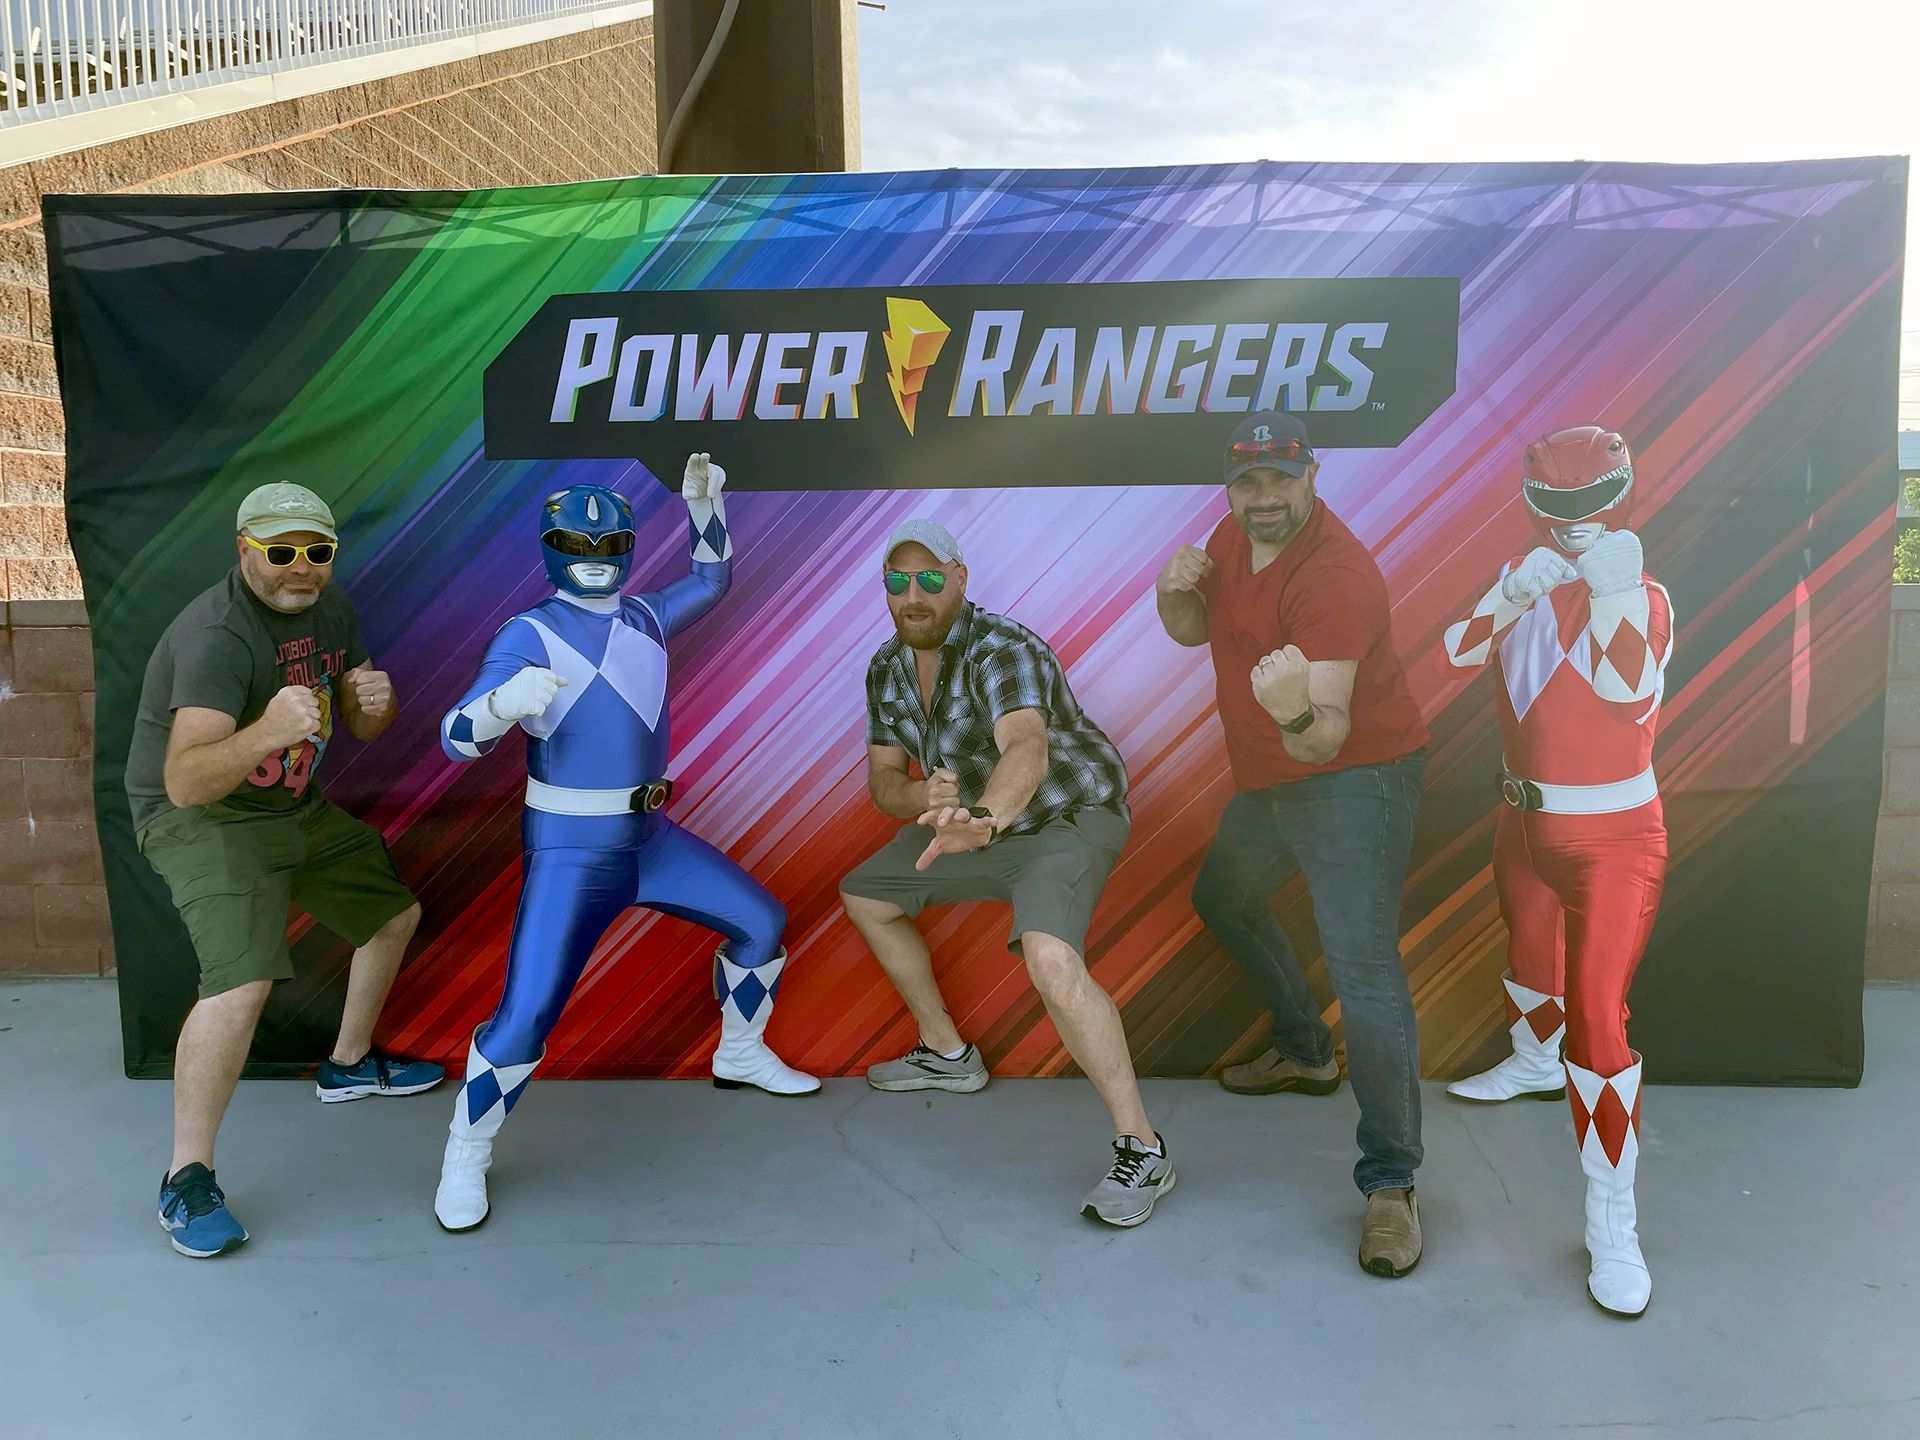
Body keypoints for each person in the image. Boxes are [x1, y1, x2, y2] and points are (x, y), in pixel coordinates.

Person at [432, 453, 817, 1234]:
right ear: (551, 549)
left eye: (610, 550)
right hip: (571, 853)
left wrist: (704, 509)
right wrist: (502, 703)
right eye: (580, 548)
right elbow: (454, 737)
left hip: (650, 836)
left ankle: (739, 1053)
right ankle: (465, 1151)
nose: (597, 564)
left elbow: (710, 583)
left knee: (762, 924)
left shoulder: (643, 618)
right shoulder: (529, 632)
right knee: (525, 1018)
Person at [126, 483, 444, 1259]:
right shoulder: (218, 636)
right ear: (245, 550)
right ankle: (185, 1177)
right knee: (241, 982)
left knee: (393, 915)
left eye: (316, 552)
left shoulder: (330, 611)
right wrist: (266, 730)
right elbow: (185, 781)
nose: (300, 568)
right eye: (281, 552)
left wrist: (377, 702)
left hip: (290, 810)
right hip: (204, 819)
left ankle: (347, 1065)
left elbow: (363, 726)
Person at [1156, 411, 1430, 1277]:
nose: (1264, 497)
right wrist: (1173, 593)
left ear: (1313, 476)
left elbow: (1327, 736)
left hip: (1355, 775)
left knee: (1365, 970)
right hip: (1273, 781)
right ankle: (1309, 1053)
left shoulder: (1338, 577)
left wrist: (1298, 713)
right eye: (1247, 482)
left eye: (1281, 479)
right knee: (1222, 898)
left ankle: (1392, 1186)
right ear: (1230, 486)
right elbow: (1196, 631)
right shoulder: (1231, 539)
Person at [839, 519, 1171, 1228]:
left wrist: (984, 818)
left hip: (1063, 819)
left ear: (960, 579)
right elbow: (883, 782)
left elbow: (1025, 746)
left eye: (930, 577)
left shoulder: (1003, 648)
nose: (914, 594)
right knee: (865, 894)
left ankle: (1143, 1148)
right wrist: (922, 801)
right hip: (968, 830)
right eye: (898, 580)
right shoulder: (885, 668)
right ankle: (948, 1052)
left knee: (1051, 959)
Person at [1442, 425, 1672, 1317]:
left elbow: (1624, 693)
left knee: (1599, 1023)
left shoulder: (1644, 593)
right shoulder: (1531, 583)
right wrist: (1506, 595)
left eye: (1589, 504)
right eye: (1558, 506)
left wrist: (1612, 595)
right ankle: (1533, 1062)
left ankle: (1613, 1219)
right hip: (1523, 820)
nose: (1575, 524)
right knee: (1529, 947)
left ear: (1620, 493)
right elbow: (1456, 656)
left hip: (1615, 838)